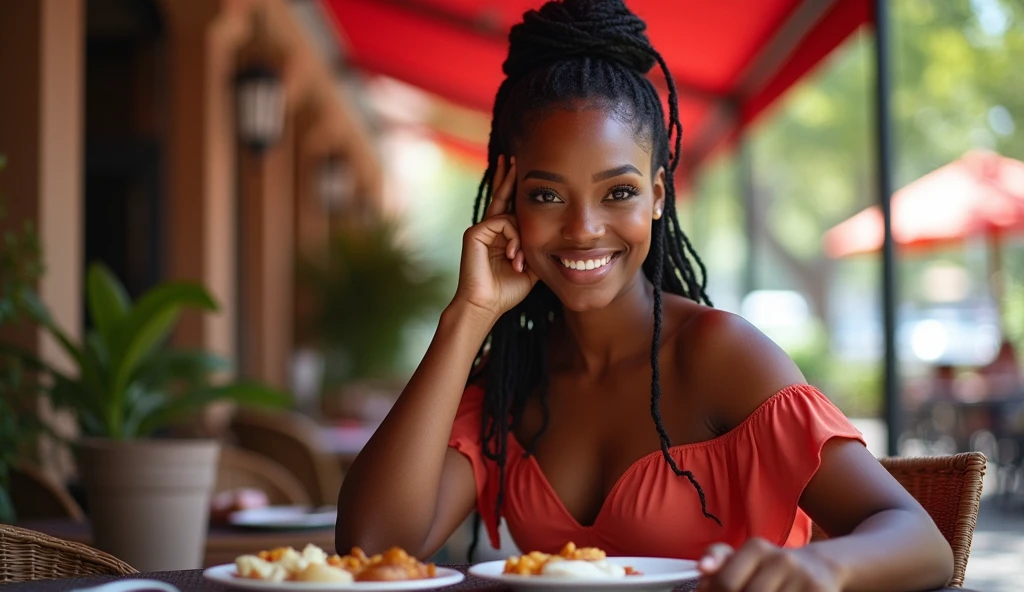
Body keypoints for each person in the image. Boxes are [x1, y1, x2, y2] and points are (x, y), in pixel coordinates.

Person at [336, 1, 954, 589]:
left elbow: (920, 540)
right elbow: (368, 547)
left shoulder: (719, 355)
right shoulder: (513, 379)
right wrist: (469, 315)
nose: (583, 228)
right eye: (547, 195)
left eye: (619, 192)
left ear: (659, 194)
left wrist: (824, 570)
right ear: (508, 202)